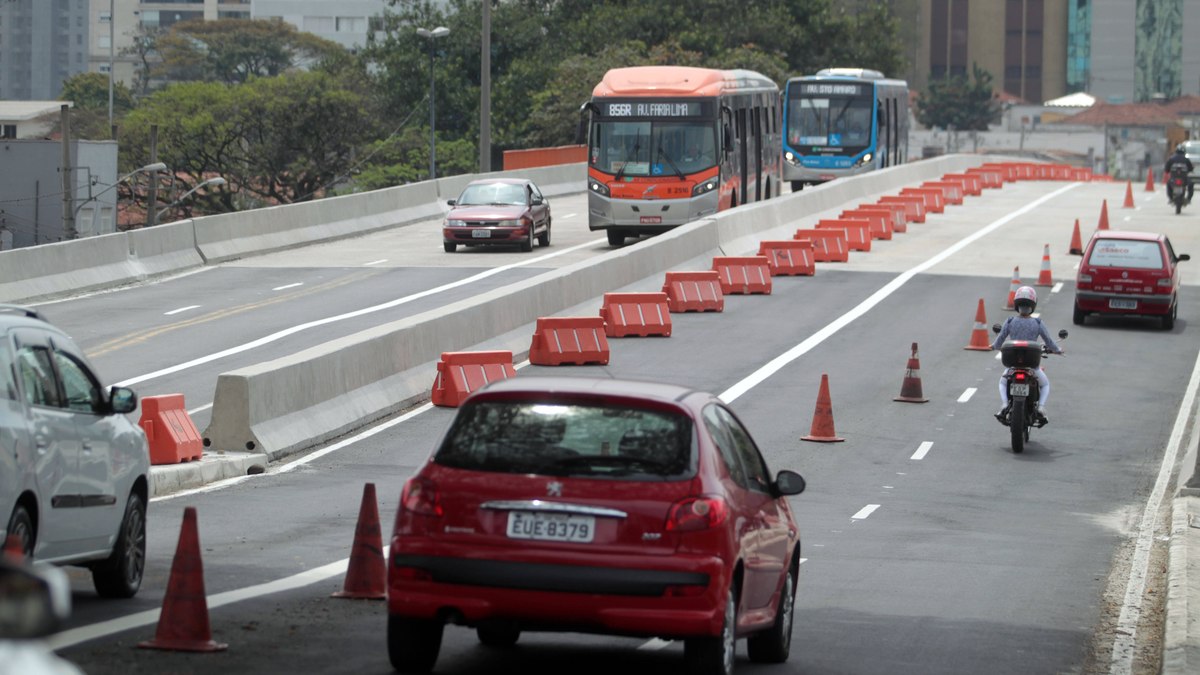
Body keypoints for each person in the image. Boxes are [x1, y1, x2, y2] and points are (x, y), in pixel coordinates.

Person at [991, 286, 1063, 425]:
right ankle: (1041, 407)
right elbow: (1049, 341)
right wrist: (1057, 350)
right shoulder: (1037, 322)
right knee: (1045, 385)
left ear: (1017, 305)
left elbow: (1000, 340)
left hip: (1012, 364)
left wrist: (993, 346)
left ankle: (1005, 404)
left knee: (1002, 381)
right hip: (1032, 364)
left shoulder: (1010, 321)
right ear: (1033, 305)